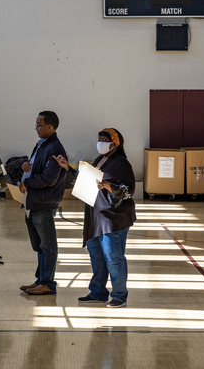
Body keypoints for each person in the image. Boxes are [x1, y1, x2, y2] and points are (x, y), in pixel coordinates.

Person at [54, 128, 136, 307]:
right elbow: (86, 179)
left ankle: (119, 296)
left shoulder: (122, 163)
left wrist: (109, 186)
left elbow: (129, 190)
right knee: (97, 256)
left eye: (105, 139)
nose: (101, 142)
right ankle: (98, 292)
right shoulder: (100, 160)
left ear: (115, 143)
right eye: (99, 138)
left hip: (113, 218)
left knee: (113, 257)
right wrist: (68, 168)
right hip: (95, 217)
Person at [18, 111, 68, 296]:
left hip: (44, 203)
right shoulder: (42, 144)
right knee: (40, 245)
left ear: (50, 126)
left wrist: (28, 182)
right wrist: (25, 165)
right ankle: (40, 280)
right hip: (34, 201)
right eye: (36, 124)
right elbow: (36, 167)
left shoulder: (55, 148)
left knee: (48, 245)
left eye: (39, 125)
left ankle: (47, 283)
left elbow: (49, 178)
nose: (36, 128)